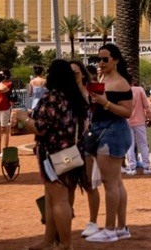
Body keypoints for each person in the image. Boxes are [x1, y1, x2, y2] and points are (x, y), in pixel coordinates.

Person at [11, 59, 88, 250]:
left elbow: (40, 127)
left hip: (53, 154)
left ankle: (65, 244)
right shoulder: (74, 97)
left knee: (58, 198)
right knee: (54, 196)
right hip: (72, 152)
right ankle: (48, 241)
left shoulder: (52, 97)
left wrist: (23, 117)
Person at [84, 43, 134, 242]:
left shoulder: (121, 83)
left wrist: (105, 102)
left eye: (105, 59)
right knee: (116, 182)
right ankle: (120, 228)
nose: (101, 63)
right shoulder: (104, 79)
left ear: (115, 60)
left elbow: (127, 112)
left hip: (113, 132)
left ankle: (111, 229)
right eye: (99, 59)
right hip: (105, 130)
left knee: (109, 183)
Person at [69, 60, 102, 239]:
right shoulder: (64, 94)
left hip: (88, 143)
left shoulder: (92, 91)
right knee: (69, 185)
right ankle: (66, 219)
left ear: (82, 72)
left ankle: (93, 222)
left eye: (75, 72)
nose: (73, 75)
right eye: (70, 73)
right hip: (69, 145)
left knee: (89, 184)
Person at [125, 81, 151, 175]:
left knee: (130, 145)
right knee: (143, 144)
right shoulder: (139, 89)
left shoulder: (122, 91)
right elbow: (147, 106)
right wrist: (150, 118)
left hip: (127, 122)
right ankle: (146, 167)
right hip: (140, 121)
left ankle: (132, 168)